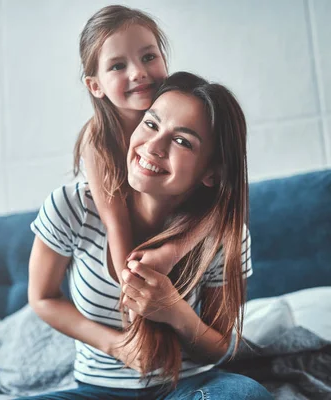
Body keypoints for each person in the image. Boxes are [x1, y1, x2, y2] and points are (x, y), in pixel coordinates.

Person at [20, 72, 272, 399]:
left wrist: (174, 311)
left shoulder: (224, 236)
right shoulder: (72, 207)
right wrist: (117, 346)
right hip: (97, 391)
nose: (153, 147)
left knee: (243, 395)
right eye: (151, 124)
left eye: (182, 141)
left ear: (212, 172)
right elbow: (42, 298)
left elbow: (221, 348)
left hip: (188, 387)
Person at [74, 5, 209, 299]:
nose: (138, 72)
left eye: (149, 57)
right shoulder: (98, 140)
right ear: (95, 86)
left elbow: (223, 203)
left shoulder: (192, 116)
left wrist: (173, 252)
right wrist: (131, 286)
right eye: (118, 66)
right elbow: (117, 227)